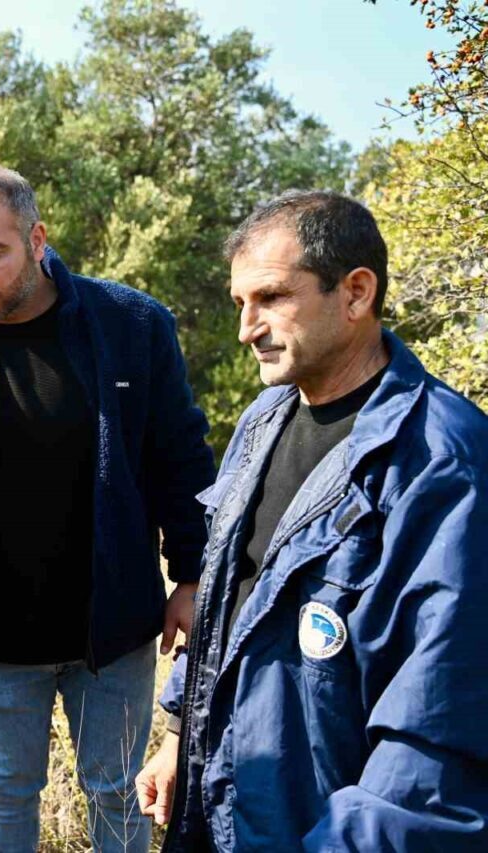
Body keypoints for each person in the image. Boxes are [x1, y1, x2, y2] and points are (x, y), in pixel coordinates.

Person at [0, 164, 215, 853]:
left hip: (113, 623)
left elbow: (180, 457)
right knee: (7, 786)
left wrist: (193, 575)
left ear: (37, 239)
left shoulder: (132, 324)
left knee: (116, 788)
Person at [136, 190, 488, 851]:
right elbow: (227, 602)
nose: (246, 328)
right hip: (224, 814)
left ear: (355, 293)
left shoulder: (442, 464)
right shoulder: (261, 422)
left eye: (271, 297)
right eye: (240, 303)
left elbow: (435, 730)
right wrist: (179, 739)